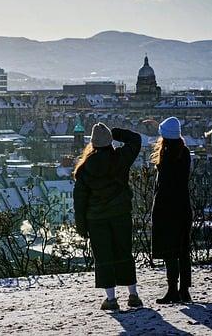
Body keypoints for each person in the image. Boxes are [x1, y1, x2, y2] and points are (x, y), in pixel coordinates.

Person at [73, 122, 143, 311]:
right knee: (124, 253)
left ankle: (111, 299)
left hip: (96, 219)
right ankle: (133, 294)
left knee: (104, 257)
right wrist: (116, 132)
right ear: (109, 142)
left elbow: (79, 200)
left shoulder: (84, 168)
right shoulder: (120, 158)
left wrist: (81, 225)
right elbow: (136, 140)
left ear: (92, 144)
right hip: (120, 214)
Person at [150, 116, 193, 304]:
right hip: (183, 206)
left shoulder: (166, 155)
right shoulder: (184, 152)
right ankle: (184, 290)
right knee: (183, 250)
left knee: (170, 252)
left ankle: (172, 290)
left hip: (167, 208)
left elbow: (163, 186)